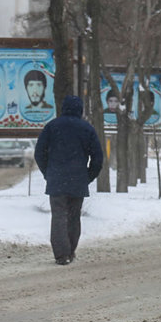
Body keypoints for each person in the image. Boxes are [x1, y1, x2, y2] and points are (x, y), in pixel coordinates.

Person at [34, 95, 104, 265]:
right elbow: (98, 158)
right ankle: (70, 251)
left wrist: (48, 173)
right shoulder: (87, 129)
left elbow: (39, 153)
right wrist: (87, 177)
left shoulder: (52, 127)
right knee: (74, 217)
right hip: (78, 180)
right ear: (80, 110)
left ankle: (61, 254)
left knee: (58, 216)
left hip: (57, 180)